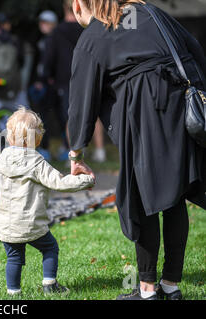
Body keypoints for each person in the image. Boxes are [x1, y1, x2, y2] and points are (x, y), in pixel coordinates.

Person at [67, 0, 206, 300]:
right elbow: (193, 46)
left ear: (78, 6)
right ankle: (171, 285)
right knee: (173, 195)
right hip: (179, 107)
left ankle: (146, 291)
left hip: (144, 111)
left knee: (142, 199)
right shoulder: (150, 11)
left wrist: (76, 153)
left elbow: (81, 101)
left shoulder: (94, 35)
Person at [0, 107, 95, 295]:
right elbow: (59, 182)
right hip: (31, 224)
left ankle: (13, 293)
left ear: (9, 137)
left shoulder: (1, 159)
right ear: (38, 139)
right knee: (50, 247)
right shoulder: (36, 162)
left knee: (14, 257)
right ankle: (49, 285)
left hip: (7, 225)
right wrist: (85, 180)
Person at [43, 0, 106, 163]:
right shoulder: (90, 29)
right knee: (96, 114)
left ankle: (75, 155)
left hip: (67, 78)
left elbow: (49, 57)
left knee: (72, 116)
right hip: (91, 74)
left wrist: (48, 75)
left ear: (65, 8)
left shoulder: (57, 32)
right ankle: (100, 151)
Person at [28, 10, 58, 161]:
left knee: (60, 117)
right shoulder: (40, 40)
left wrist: (48, 77)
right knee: (42, 116)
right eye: (41, 22)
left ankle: (65, 149)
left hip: (54, 84)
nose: (42, 25)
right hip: (43, 84)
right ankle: (44, 148)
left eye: (45, 22)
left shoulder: (56, 39)